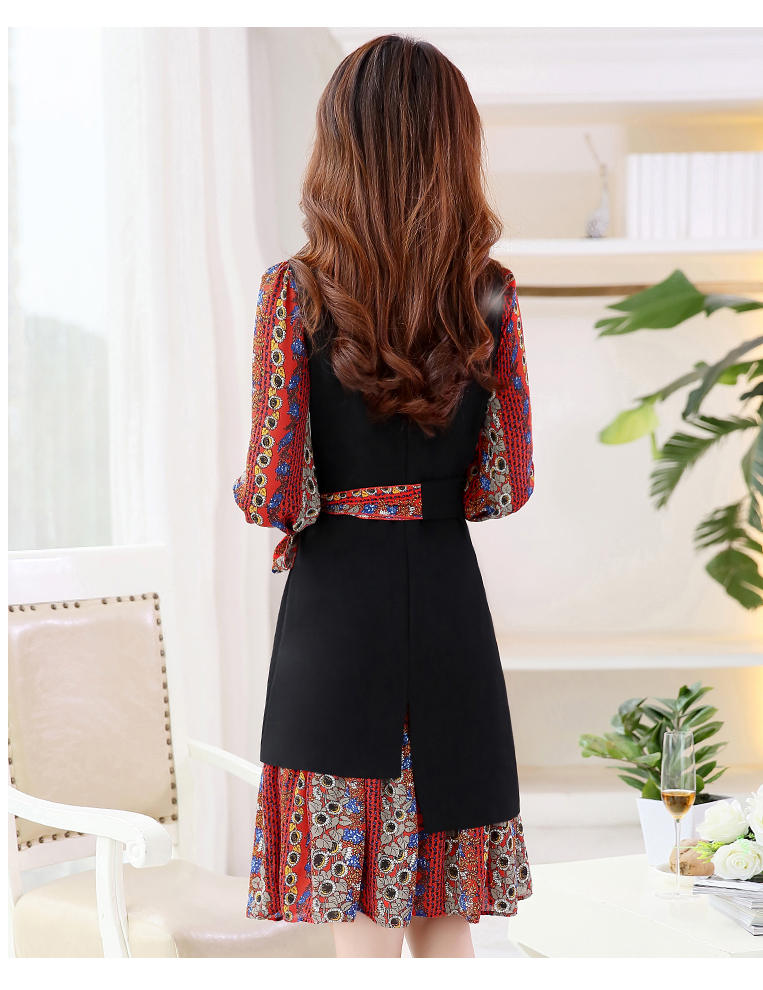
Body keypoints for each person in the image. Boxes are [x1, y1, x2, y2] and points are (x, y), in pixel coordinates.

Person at [234, 34, 534, 959]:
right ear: (455, 147)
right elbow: (503, 486)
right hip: (447, 618)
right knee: (448, 928)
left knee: (358, 941)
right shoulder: (492, 297)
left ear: (338, 145)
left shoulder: (293, 294)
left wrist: (262, 491)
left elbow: (274, 490)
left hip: (337, 630)